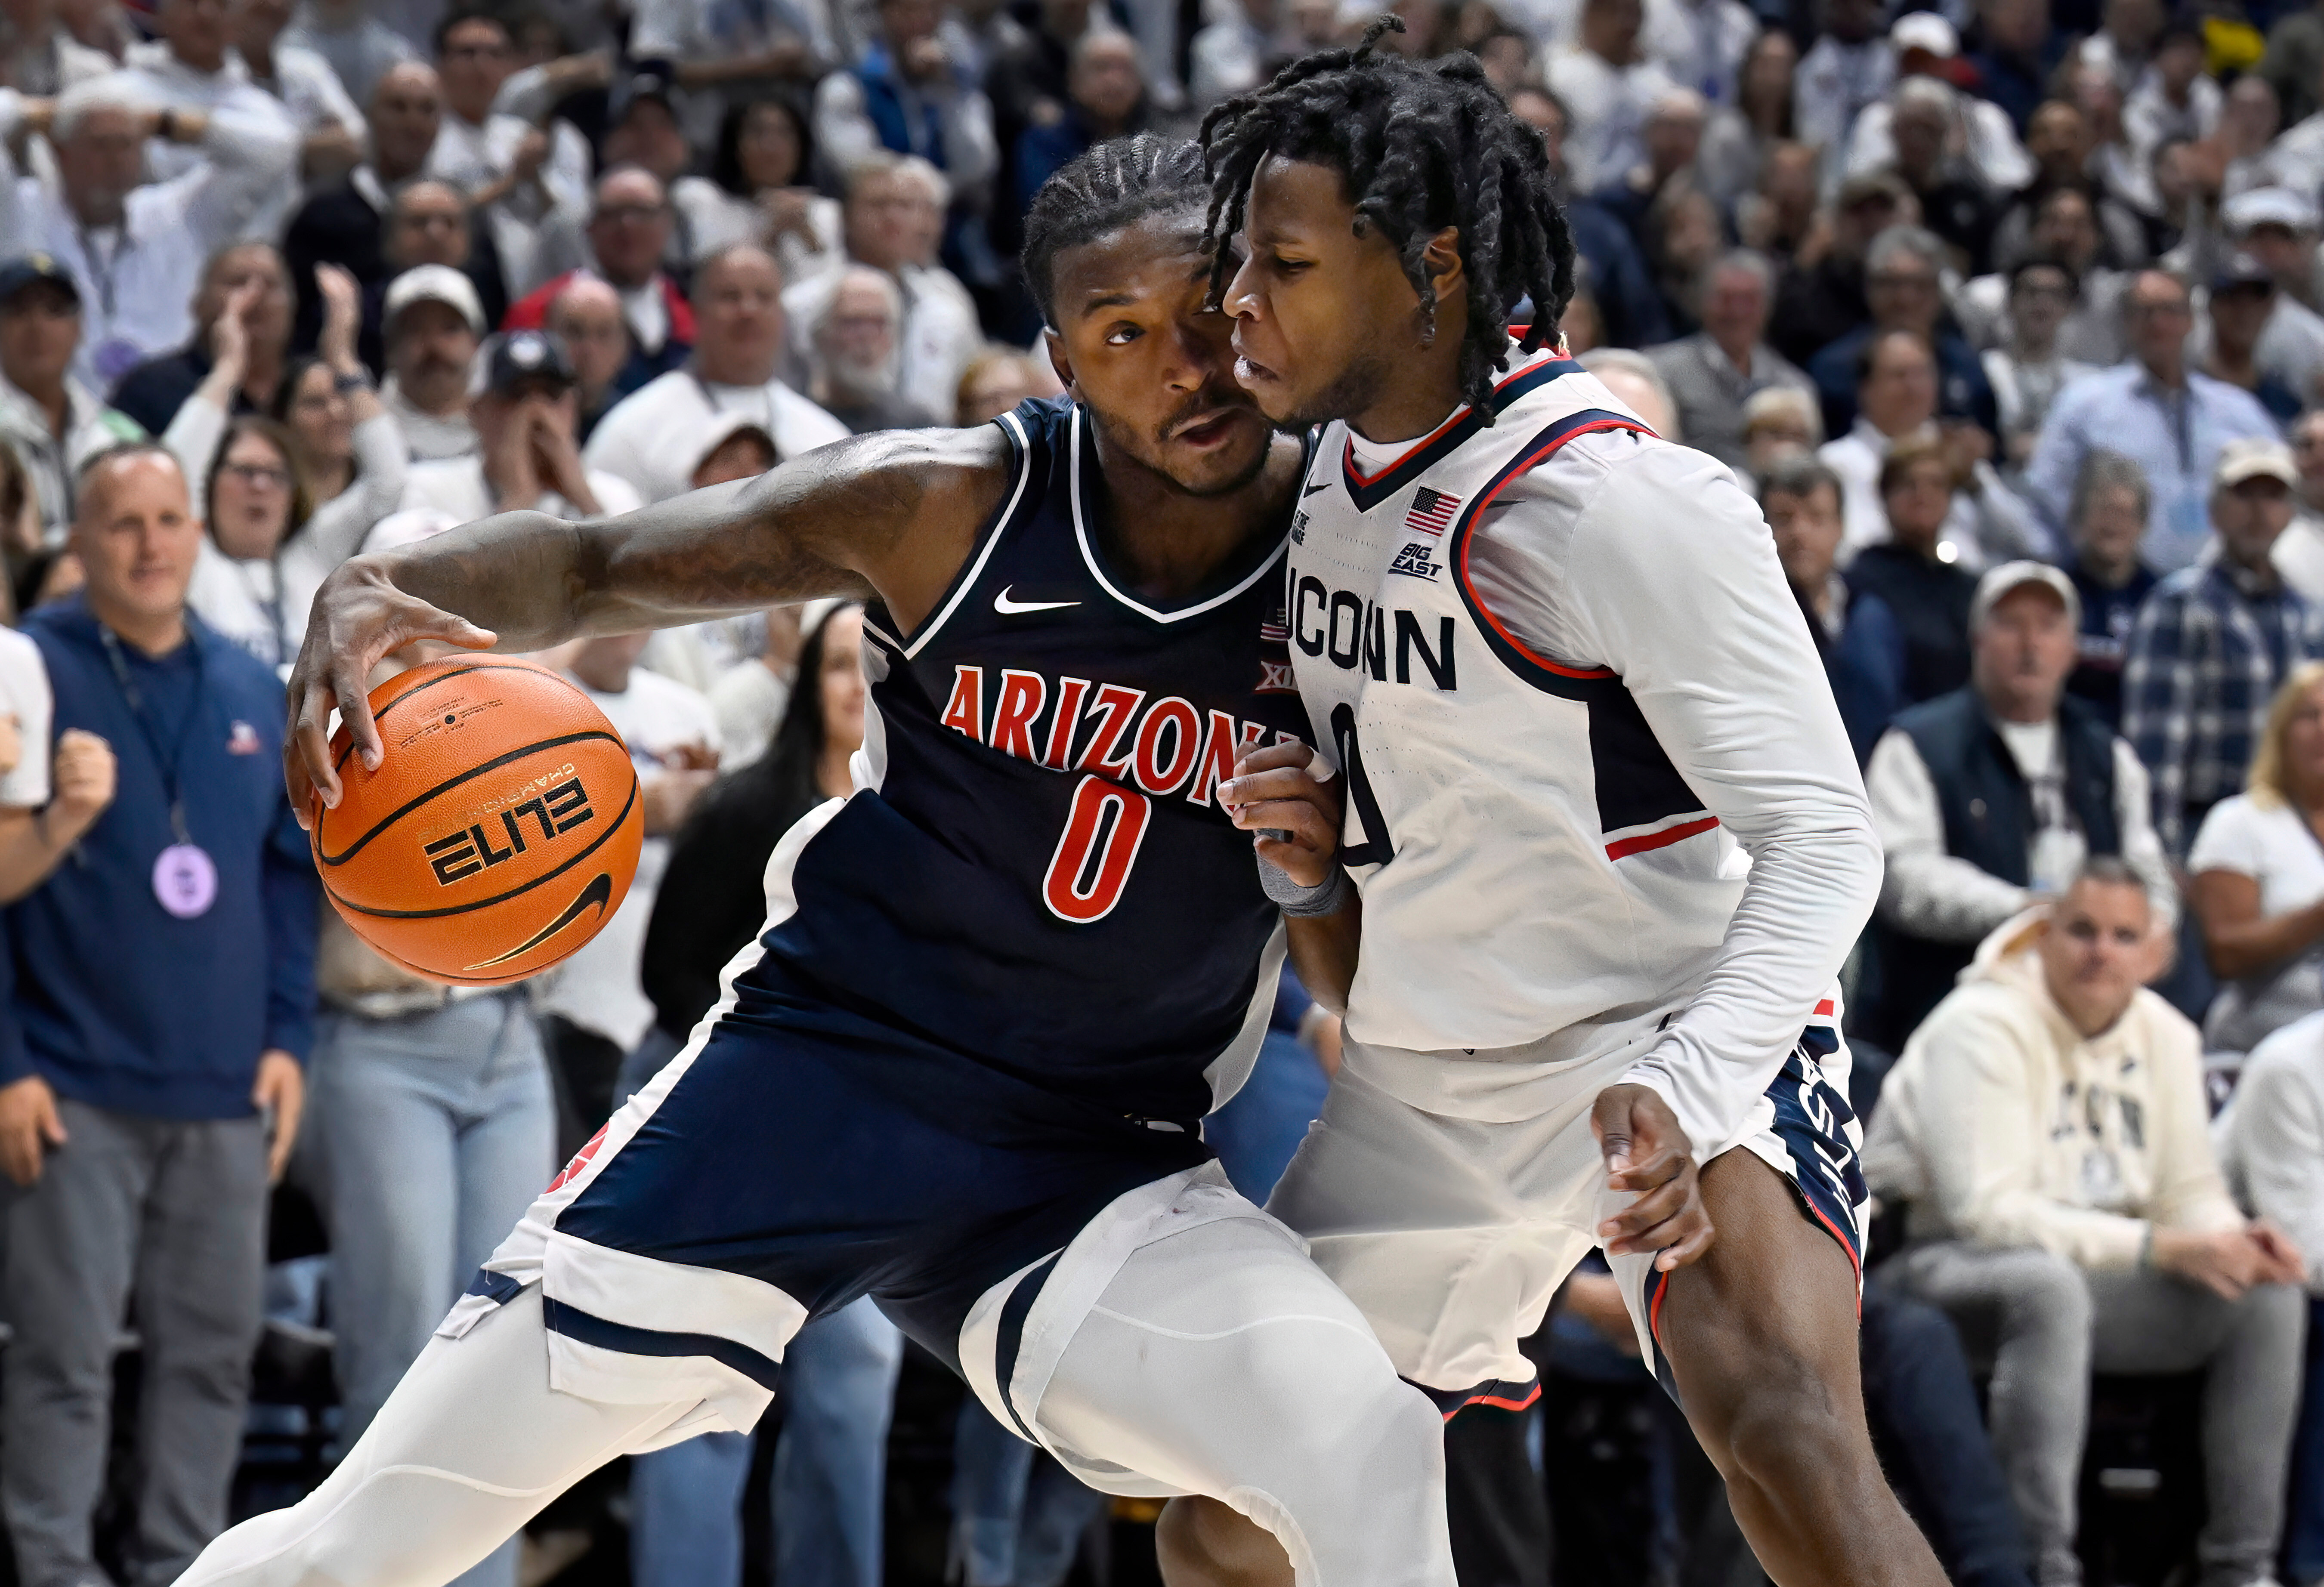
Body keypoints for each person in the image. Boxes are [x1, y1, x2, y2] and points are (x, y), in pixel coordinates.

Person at [175, 133, 1459, 1587]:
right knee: (361, 1542)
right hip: (818, 1084)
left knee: (1370, 1442)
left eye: (1206, 314)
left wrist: (1313, 875)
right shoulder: (942, 504)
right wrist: (383, 584)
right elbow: (600, 562)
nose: (1189, 366)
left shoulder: (1354, 558)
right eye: (1124, 334)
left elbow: (1352, 965)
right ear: (1059, 360)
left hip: (1095, 1157)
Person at [1195, 29, 1947, 1587]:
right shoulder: (1318, 480)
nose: (1234, 306)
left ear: (1429, 268)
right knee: (1227, 1525)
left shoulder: (1621, 505)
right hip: (1430, 1075)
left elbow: (1824, 841)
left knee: (1782, 1428)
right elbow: (1400, 841)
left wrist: (1685, 1086)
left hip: (1656, 1034)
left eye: (1279, 264)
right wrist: (1305, 869)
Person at [0, 441, 318, 1587]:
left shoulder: (248, 685)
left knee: (212, 1361)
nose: (149, 544)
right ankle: (53, 1569)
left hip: (227, 1090)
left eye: (169, 519)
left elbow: (290, 879)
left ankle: (182, 1567)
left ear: (198, 534)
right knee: (62, 1362)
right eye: (121, 522)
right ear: (77, 543)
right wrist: (6, 1062)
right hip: (70, 1089)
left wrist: (288, 1042)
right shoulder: (28, 670)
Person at [1865, 861, 2307, 1587]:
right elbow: (1987, 1212)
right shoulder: (1979, 1023)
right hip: (1934, 1261)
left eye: (2123, 934)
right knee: (2048, 1287)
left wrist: (2229, 1237)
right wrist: (2159, 1245)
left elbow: (2188, 1189)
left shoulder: (2167, 1033)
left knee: (2264, 1297)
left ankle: (2242, 1566)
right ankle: (2042, 1566)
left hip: (2097, 1265)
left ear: (2156, 954)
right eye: (2082, 930)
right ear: (2044, 936)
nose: (2101, 950)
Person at [621, 602, 907, 1587]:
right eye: (836, 664)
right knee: (699, 1389)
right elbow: (666, 978)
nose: (855, 684)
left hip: (851, 1135)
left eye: (872, 663)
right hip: (710, 1111)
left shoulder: (935, 819)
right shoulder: (747, 807)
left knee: (856, 1380)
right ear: (804, 685)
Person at [1864, 561, 2174, 1049]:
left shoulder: (2107, 755)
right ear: (1977, 639)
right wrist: (2024, 913)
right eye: (2011, 625)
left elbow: (2147, 869)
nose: (2030, 645)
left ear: (2073, 648)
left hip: (2087, 1019)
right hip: (1947, 1015)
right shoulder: (1917, 744)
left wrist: (2154, 929)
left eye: (2048, 628)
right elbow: (1901, 875)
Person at [0, 79, 301, 392]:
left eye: (127, 144)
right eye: (100, 145)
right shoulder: (17, 213)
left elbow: (278, 148)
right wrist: (34, 113)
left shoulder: (178, 216)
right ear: (61, 153)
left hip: (169, 411)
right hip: (49, 408)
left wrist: (165, 123)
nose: (115, 160)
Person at [2126, 438, 2324, 860]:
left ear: (2289, 513)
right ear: (2215, 510)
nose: (2259, 511)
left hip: (2294, 831)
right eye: (2244, 495)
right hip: (2203, 830)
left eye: (2273, 497)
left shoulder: (2306, 616)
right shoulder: (2180, 605)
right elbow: (2157, 748)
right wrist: (2159, 858)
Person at [2026, 269, 2282, 574]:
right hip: (2121, 585)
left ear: (2191, 321)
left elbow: (2283, 486)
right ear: (2127, 323)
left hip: (2224, 585)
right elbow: (2046, 493)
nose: (2159, 323)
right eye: (2145, 312)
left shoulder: (2237, 409)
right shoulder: (2085, 403)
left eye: (2171, 311)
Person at [584, 243, 849, 505]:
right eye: (730, 296)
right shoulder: (633, 431)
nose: (748, 311)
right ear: (696, 312)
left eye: (764, 297)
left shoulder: (826, 438)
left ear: (782, 315)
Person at [782, 154, 983, 427]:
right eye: (878, 204)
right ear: (846, 216)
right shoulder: (803, 302)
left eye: (904, 206)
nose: (893, 217)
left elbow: (973, 388)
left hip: (932, 451)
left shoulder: (947, 301)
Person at [2184, 663, 2324, 1053]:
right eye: (2309, 716)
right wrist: (2316, 917)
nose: (2323, 729)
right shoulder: (2241, 821)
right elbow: (2224, 952)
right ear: (2280, 734)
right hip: (2261, 1041)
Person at [279, 62, 446, 350]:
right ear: (370, 116)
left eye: (426, 109)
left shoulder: (459, 217)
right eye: (398, 107)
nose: (412, 123)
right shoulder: (321, 217)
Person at [398, 331, 640, 527]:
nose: (536, 413)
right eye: (516, 395)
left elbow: (636, 583)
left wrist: (586, 502)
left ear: (573, 405)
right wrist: (518, 500)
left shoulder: (615, 496)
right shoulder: (430, 491)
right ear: (476, 412)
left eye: (551, 394)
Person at [1762, 453, 1903, 764]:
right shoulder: (1750, 618)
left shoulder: (1874, 614)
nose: (1800, 532)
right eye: (1784, 518)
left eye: (1816, 517)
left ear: (1840, 527)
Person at [507, 168, 696, 394]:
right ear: (590, 227)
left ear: (668, 225)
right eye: (613, 213)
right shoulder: (536, 314)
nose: (628, 224)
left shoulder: (697, 317)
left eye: (643, 212)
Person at [0, 254, 145, 542]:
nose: (37, 326)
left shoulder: (116, 434)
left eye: (55, 311)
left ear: (79, 328)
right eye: (19, 311)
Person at [1644, 248, 1813, 472]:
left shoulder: (1793, 386)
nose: (1737, 311)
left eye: (1749, 299)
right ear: (1703, 302)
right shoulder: (1660, 371)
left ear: (1767, 307)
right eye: (1726, 299)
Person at [108, 241, 293, 439]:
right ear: (198, 304)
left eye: (271, 285)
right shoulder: (149, 385)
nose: (256, 295)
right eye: (238, 282)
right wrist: (229, 367)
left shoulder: (304, 396)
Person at [673, 96, 844, 284]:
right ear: (735, 144)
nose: (771, 146)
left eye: (784, 134)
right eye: (757, 133)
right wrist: (771, 236)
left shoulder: (828, 213)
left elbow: (834, 289)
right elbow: (708, 283)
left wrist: (808, 236)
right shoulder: (702, 199)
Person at [2061, 451, 2159, 729]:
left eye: (2124, 513)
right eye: (2104, 511)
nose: (2113, 523)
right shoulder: (2057, 591)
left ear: (2142, 524)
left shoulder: (2161, 599)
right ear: (2080, 516)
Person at [1981, 258, 2099, 473]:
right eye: (2031, 293)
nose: (2042, 304)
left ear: (2069, 308)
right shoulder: (1985, 370)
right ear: (2010, 303)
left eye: (2055, 294)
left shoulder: (2088, 382)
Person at [804, 266, 943, 433]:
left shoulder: (917, 425)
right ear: (822, 335)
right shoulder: (798, 419)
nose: (867, 337)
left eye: (879, 324)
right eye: (853, 323)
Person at [380, 264, 485, 461]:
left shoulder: (505, 425)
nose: (434, 345)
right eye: (415, 330)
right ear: (391, 350)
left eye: (450, 329)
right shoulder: (368, 433)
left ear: (475, 343)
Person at [545, 276, 630, 442]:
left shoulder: (633, 425)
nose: (588, 350)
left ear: (625, 347)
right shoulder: (524, 421)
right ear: (547, 336)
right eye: (574, 332)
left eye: (604, 334)